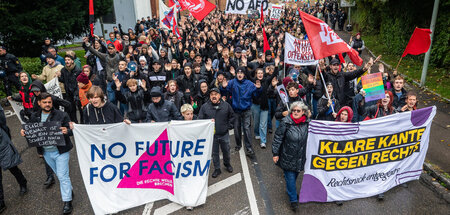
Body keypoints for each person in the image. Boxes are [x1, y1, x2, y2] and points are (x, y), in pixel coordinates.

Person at [22, 93, 73, 214]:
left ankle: (67, 202)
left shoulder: (62, 115)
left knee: (62, 176)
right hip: (46, 153)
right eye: (44, 102)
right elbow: (30, 130)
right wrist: (24, 132)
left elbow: (71, 130)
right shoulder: (34, 117)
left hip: (61, 151)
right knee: (59, 175)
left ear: (52, 103)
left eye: (49, 102)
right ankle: (69, 191)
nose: (47, 104)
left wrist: (67, 131)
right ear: (39, 103)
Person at [272, 101, 309, 212]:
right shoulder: (286, 122)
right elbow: (278, 138)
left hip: (300, 157)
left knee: (295, 175)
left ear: (303, 112)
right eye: (293, 110)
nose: (295, 112)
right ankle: (293, 201)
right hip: (287, 156)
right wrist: (275, 153)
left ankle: (290, 190)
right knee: (291, 179)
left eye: (298, 111)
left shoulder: (308, 123)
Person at [220, 67, 262, 158]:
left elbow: (256, 95)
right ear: (236, 74)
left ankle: (249, 147)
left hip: (246, 110)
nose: (240, 74)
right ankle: (238, 144)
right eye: (238, 73)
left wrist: (258, 89)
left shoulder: (249, 84)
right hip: (236, 110)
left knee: (246, 129)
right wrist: (223, 87)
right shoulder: (232, 82)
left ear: (244, 74)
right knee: (236, 128)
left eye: (241, 73)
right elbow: (224, 91)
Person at [198, 88, 235, 178]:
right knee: (214, 153)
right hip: (212, 136)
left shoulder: (226, 105)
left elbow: (232, 117)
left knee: (226, 151)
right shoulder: (205, 107)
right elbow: (200, 120)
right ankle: (217, 169)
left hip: (224, 134)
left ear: (219, 96)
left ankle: (227, 164)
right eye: (211, 94)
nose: (213, 96)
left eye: (215, 94)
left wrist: (229, 126)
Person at [0, 105, 28, 213]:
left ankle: (23, 182)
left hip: (2, 142)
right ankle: (1, 203)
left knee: (12, 166)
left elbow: (3, 123)